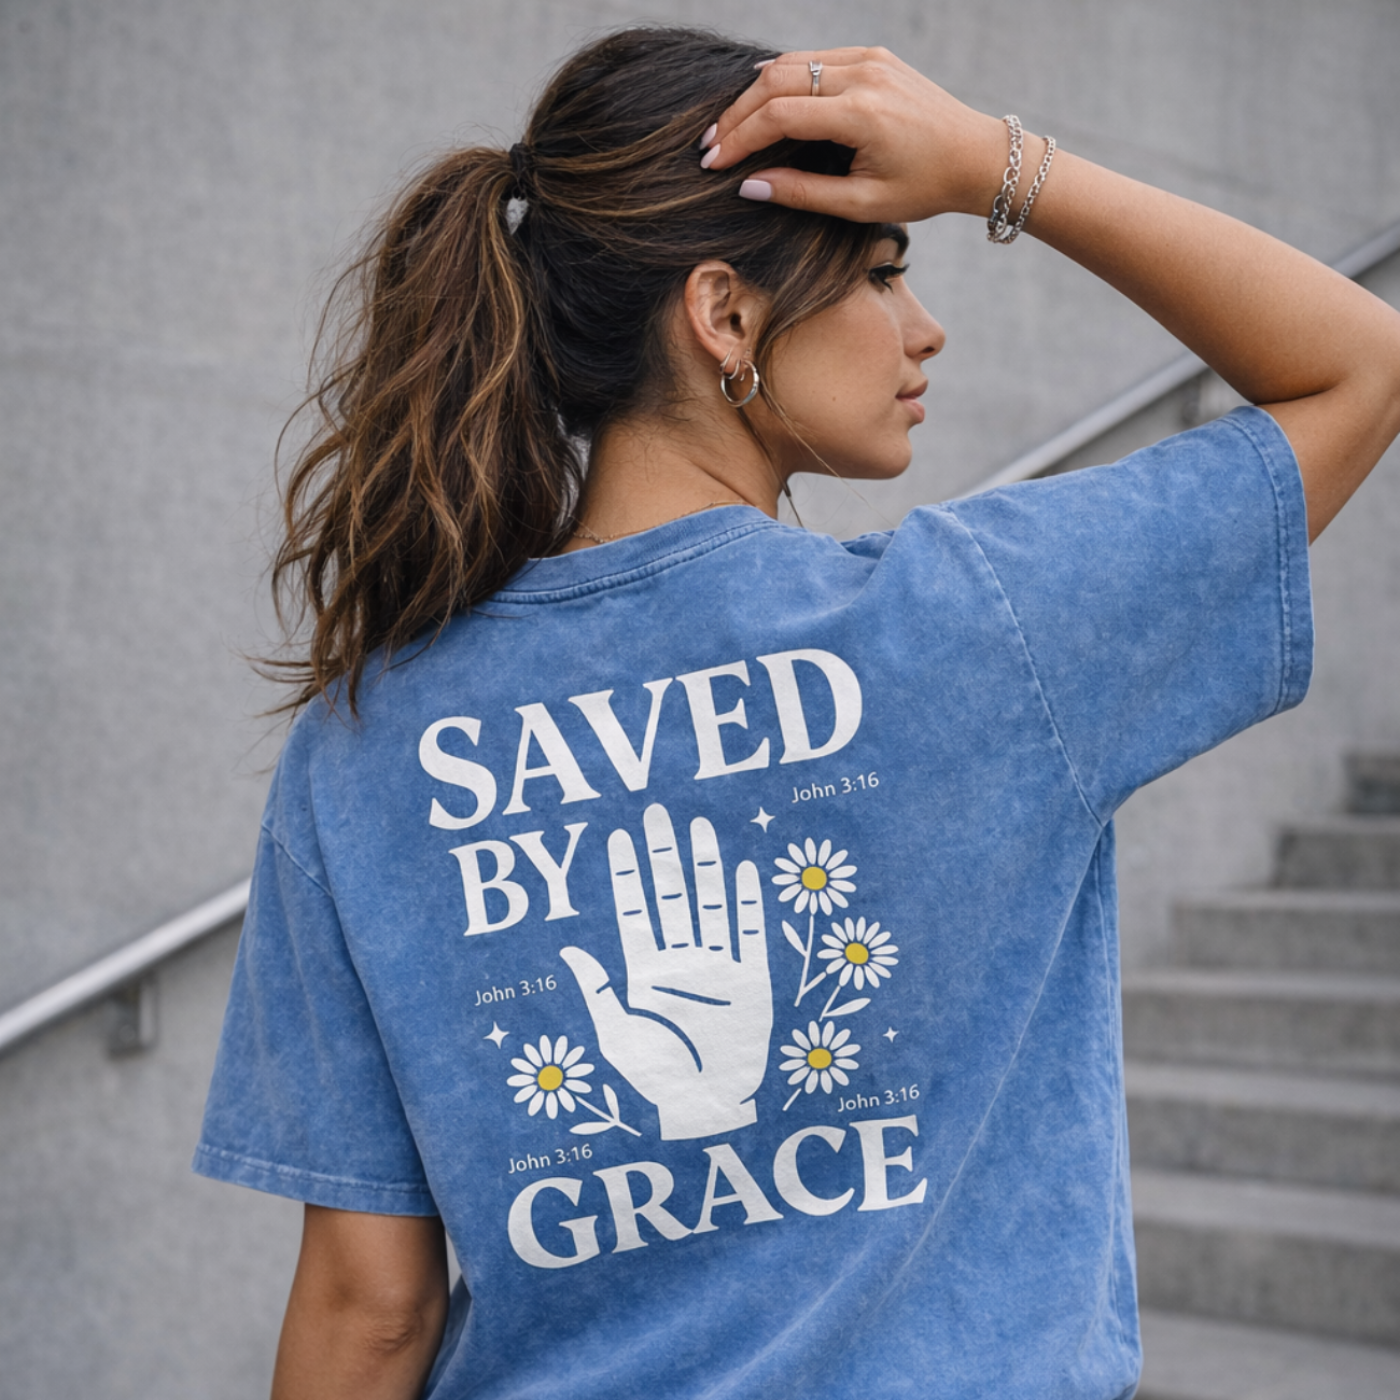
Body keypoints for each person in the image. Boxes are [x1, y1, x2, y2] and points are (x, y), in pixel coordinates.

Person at [194, 27, 1400, 1400]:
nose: (923, 326)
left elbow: (368, 1310)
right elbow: (1358, 366)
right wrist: (997, 169)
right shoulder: (987, 625)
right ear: (725, 316)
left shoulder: (369, 741)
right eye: (885, 275)